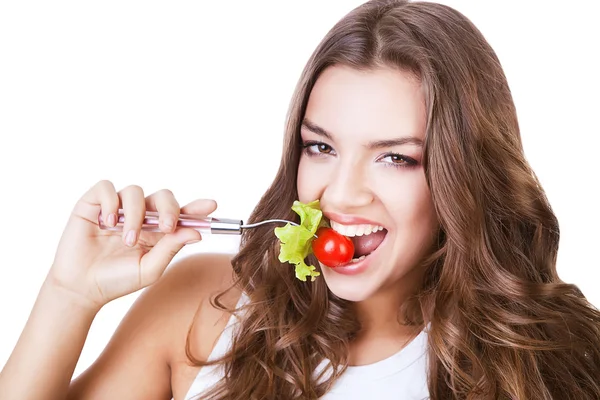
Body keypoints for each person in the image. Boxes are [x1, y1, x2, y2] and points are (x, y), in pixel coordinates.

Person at [1, 0, 599, 398]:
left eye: (396, 157)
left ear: (466, 176)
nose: (340, 193)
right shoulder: (203, 304)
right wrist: (69, 294)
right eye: (321, 148)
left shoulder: (556, 355)